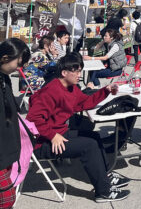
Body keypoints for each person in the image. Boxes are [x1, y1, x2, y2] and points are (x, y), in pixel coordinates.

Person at [27, 53, 131, 202]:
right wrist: (52, 136)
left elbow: (85, 102)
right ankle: (103, 192)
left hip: (58, 133)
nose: (79, 75)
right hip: (41, 143)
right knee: (89, 146)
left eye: (80, 70)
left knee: (94, 136)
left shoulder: (71, 88)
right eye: (76, 71)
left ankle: (105, 175)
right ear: (64, 73)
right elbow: (33, 119)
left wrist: (106, 90)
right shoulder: (52, 90)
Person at [0, 38, 30, 208]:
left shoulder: (5, 77)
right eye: (18, 64)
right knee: (6, 199)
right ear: (5, 58)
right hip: (2, 151)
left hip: (8, 149)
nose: (19, 69)